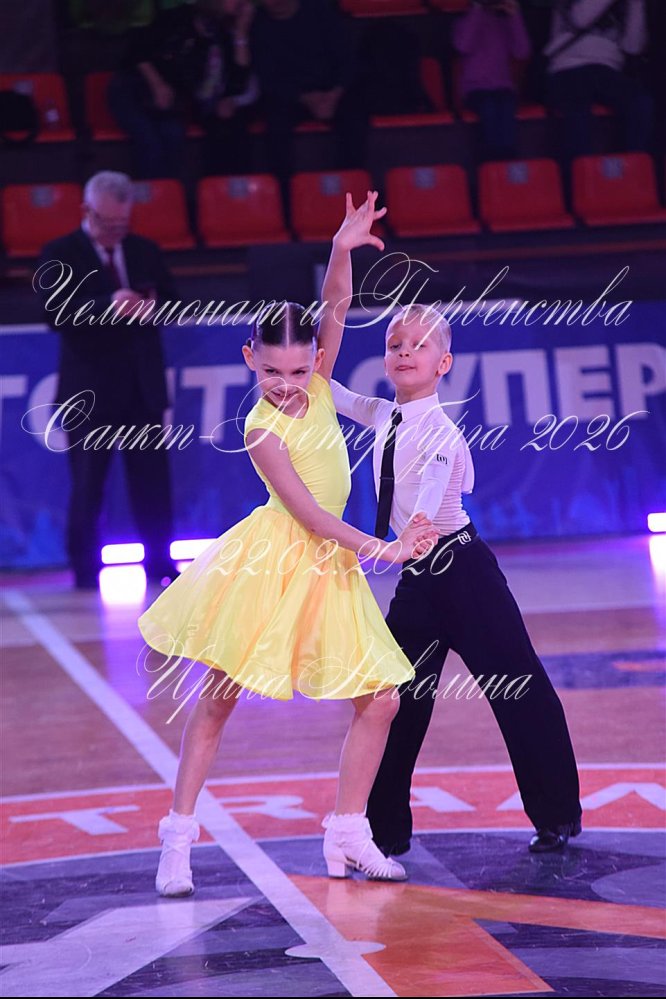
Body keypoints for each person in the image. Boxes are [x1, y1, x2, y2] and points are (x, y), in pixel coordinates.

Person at [136, 192, 438, 896]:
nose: (287, 384)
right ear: (250, 357)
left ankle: (347, 831)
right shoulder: (259, 429)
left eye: (300, 371)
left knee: (381, 700)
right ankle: (177, 836)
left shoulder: (322, 383)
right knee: (218, 700)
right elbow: (309, 516)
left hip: (328, 568)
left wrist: (340, 248)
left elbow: (335, 302)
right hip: (273, 562)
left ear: (318, 361)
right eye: (271, 372)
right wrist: (385, 548)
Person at [321, 211, 583, 856]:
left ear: (444, 363)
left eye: (417, 345)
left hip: (463, 573)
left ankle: (556, 815)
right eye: (394, 344)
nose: (403, 352)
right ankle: (382, 833)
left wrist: (410, 533)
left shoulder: (443, 431)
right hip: (418, 583)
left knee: (516, 685)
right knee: (392, 701)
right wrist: (338, 255)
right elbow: (322, 381)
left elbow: (431, 499)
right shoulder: (382, 414)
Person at [36, 170, 178, 590]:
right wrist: (109, 304)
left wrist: (153, 307)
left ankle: (160, 563)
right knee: (88, 484)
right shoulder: (60, 253)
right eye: (107, 222)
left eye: (122, 223)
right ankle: (84, 570)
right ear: (87, 211)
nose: (116, 231)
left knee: (152, 482)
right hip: (88, 392)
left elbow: (174, 302)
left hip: (142, 387)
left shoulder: (145, 250)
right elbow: (56, 313)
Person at [108, 0, 258, 179]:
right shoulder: (177, 18)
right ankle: (150, 194)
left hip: (170, 101)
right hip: (133, 90)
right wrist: (158, 85)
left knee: (174, 134)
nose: (241, 2)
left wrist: (241, 32)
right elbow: (136, 52)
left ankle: (169, 192)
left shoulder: (224, 32)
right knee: (149, 140)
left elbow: (239, 79)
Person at [249, 0, 369, 214]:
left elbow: (348, 60)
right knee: (275, 125)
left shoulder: (322, 12)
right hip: (289, 97)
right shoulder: (257, 24)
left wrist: (333, 95)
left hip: (332, 92)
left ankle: (351, 195)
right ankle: (286, 202)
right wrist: (306, 98)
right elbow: (266, 77)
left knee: (355, 119)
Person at [545, 0, 652, 162]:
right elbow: (580, 19)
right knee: (577, 113)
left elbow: (632, 47)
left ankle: (631, 168)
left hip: (607, 69)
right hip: (568, 65)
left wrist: (636, 5)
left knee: (640, 103)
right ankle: (577, 175)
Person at [452, 0, 532, 161]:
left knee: (506, 106)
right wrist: (478, 8)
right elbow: (463, 46)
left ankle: (506, 162)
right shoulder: (464, 21)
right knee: (489, 107)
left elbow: (522, 51)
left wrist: (514, 15)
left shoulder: (504, 22)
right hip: (475, 89)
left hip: (502, 88)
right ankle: (491, 162)